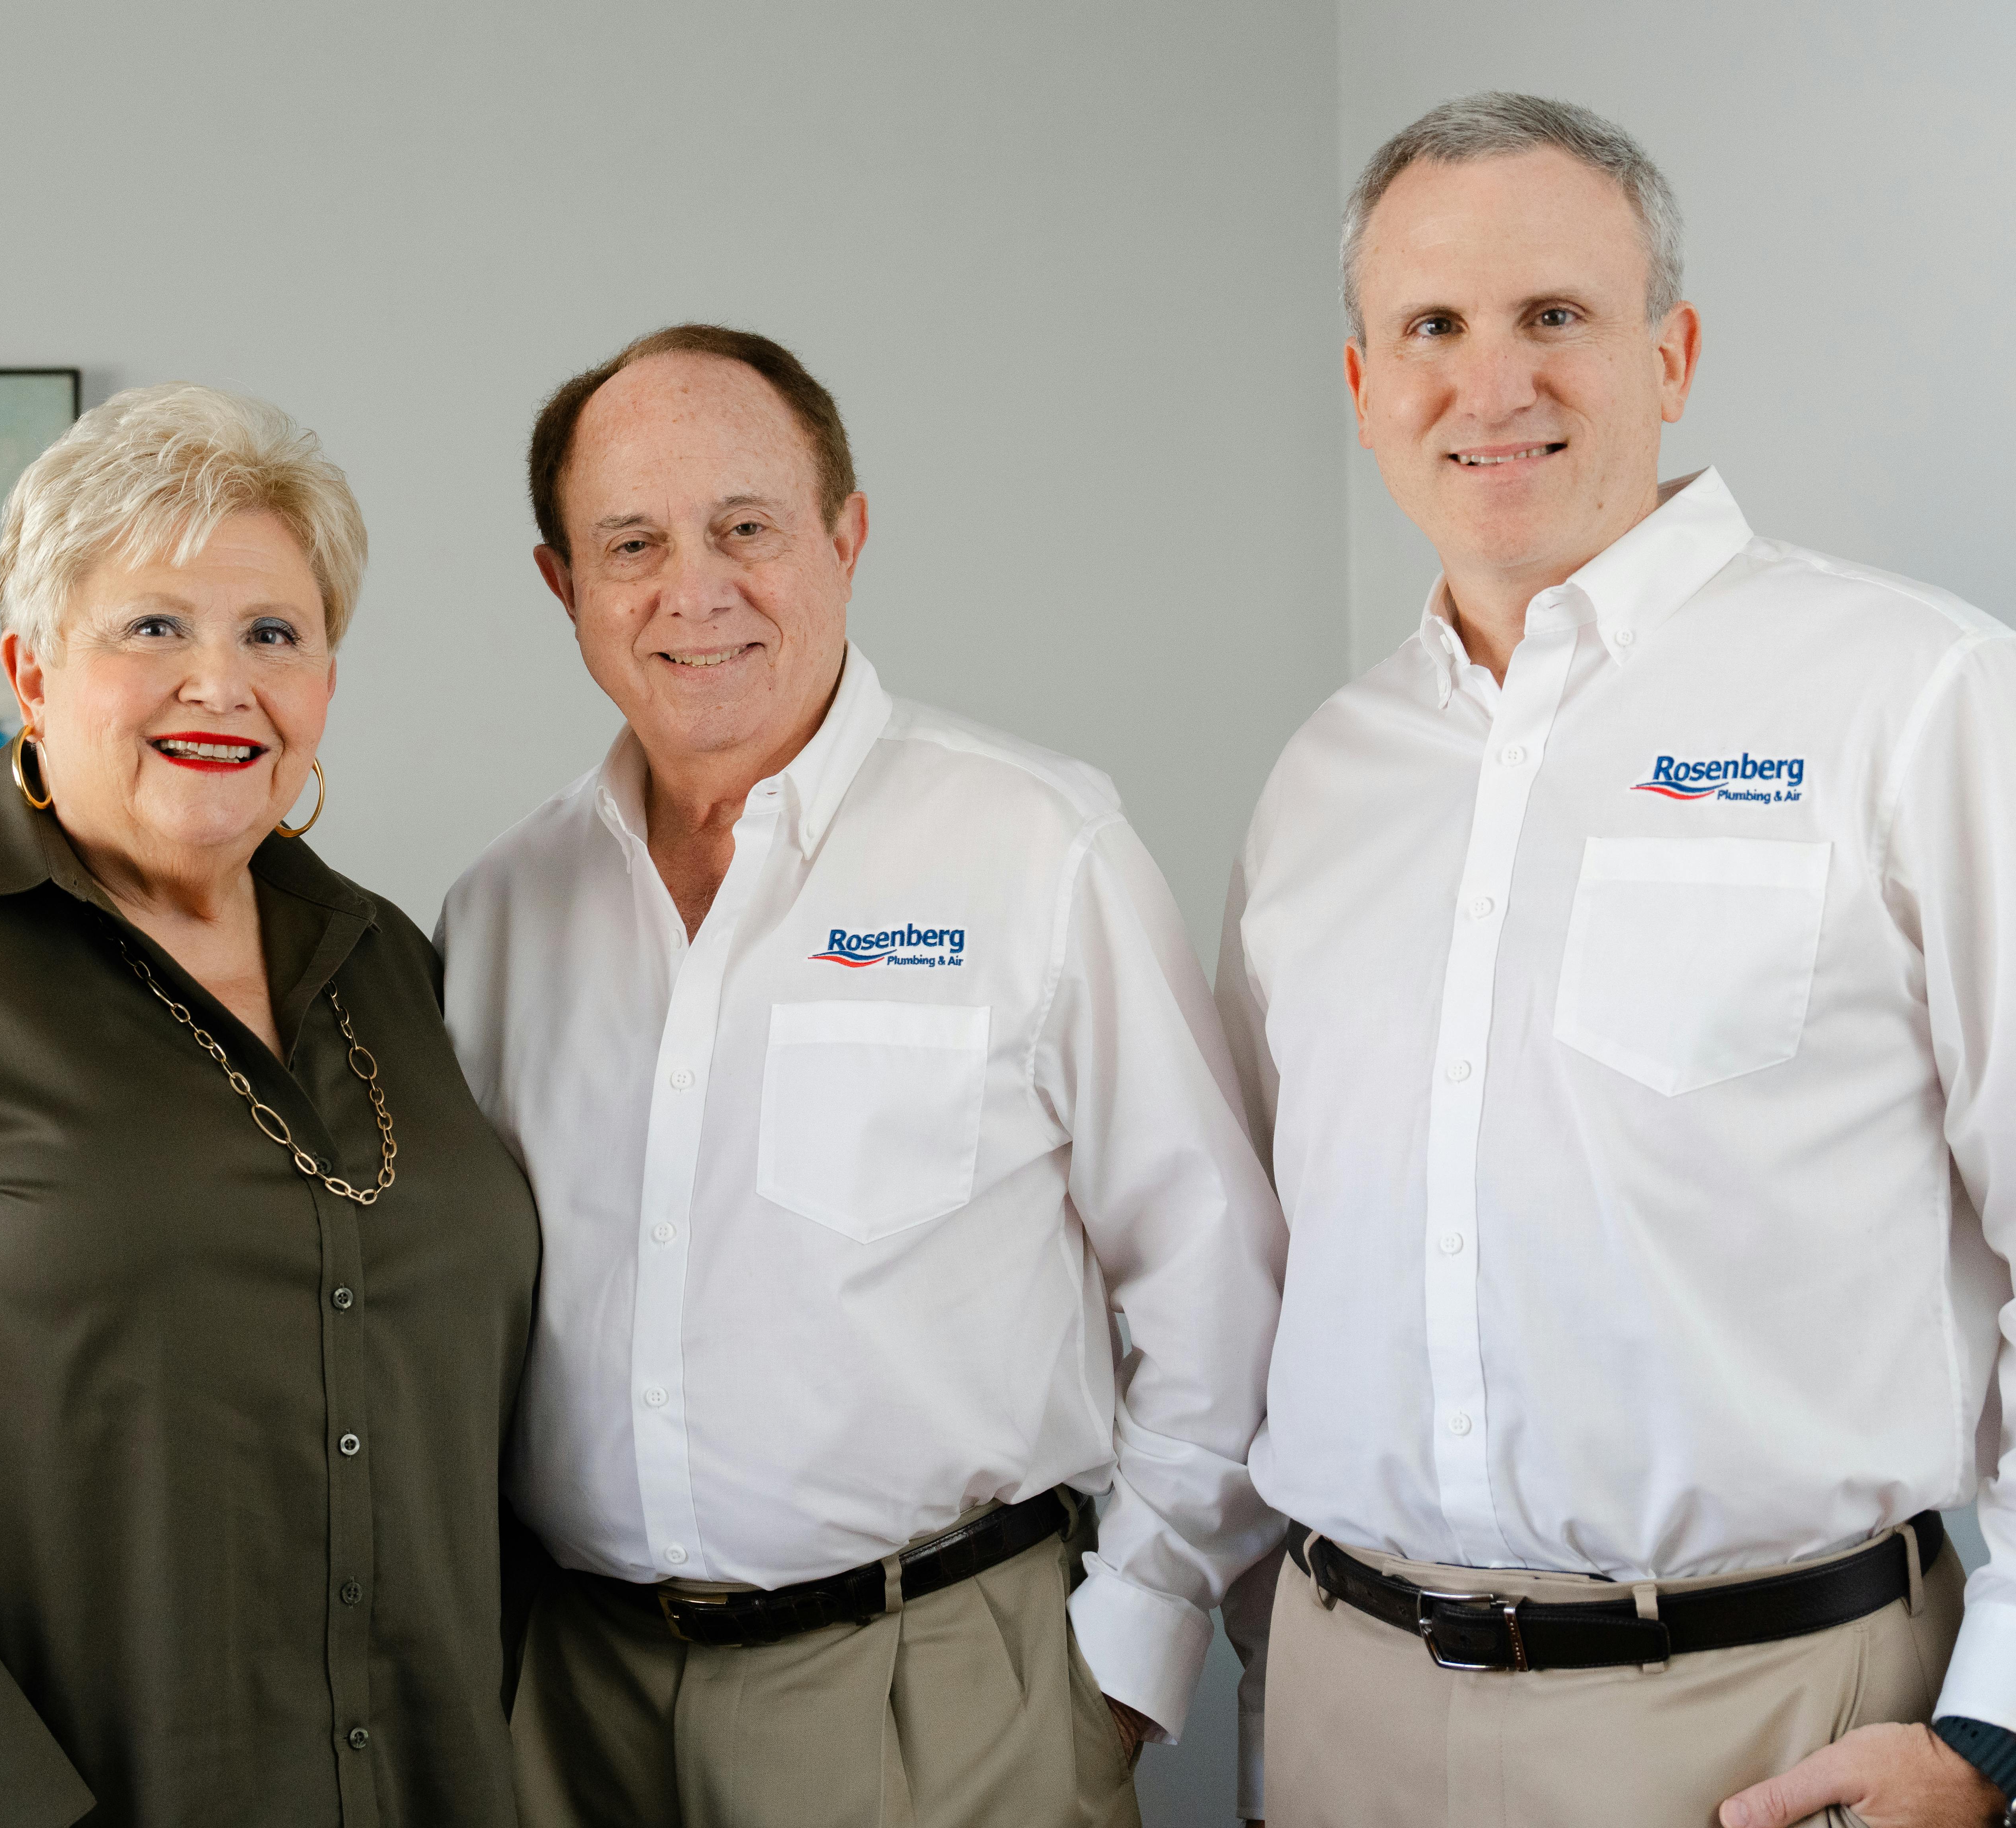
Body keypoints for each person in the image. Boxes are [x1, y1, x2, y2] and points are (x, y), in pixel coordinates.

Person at [1219, 92, 2016, 1828]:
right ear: (1360, 387)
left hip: (1761, 1720)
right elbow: (1264, 1264)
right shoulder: (1322, 784)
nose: (1490, 382)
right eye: (1430, 327)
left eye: (1554, 315)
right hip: (1344, 1705)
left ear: (1672, 352)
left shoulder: (1915, 699)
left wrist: (1996, 1730)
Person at [441, 323, 1286, 1828]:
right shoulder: (503, 912)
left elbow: (1215, 1278)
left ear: (847, 536)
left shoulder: (1035, 845)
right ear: (563, 586)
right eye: (632, 544)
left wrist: (1124, 1657)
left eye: (746, 528)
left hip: (941, 1694)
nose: (695, 591)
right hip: (575, 1706)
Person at [0, 383, 542, 1826]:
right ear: (31, 671)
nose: (222, 684)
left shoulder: (393, 964)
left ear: (325, 684)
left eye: (274, 634)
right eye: (153, 628)